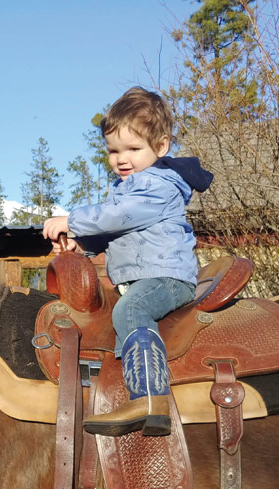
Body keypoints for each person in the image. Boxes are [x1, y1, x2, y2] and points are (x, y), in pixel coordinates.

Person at [42, 86, 213, 437]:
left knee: (129, 312)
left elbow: (119, 215)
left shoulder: (158, 184)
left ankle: (150, 396)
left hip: (167, 277)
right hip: (147, 276)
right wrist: (81, 245)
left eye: (133, 149)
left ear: (161, 146)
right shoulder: (131, 187)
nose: (122, 159)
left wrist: (71, 220)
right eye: (113, 151)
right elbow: (116, 231)